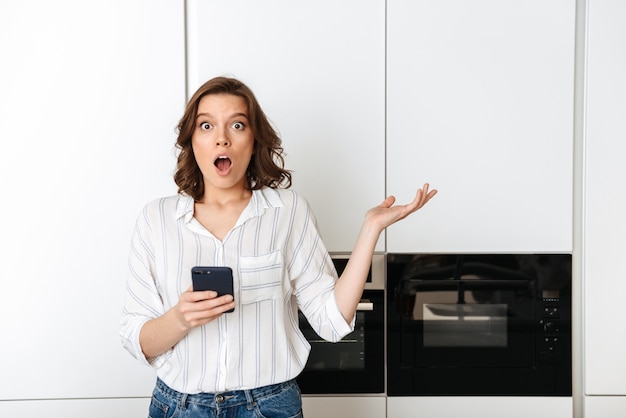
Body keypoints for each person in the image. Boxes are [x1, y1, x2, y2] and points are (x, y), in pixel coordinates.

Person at [120, 76, 436, 418]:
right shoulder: (156, 219)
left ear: (254, 141)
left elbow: (332, 320)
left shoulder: (288, 211)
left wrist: (371, 228)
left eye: (237, 125)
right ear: (192, 141)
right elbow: (137, 339)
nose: (222, 138)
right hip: (179, 407)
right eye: (206, 125)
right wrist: (179, 318)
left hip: (268, 407)